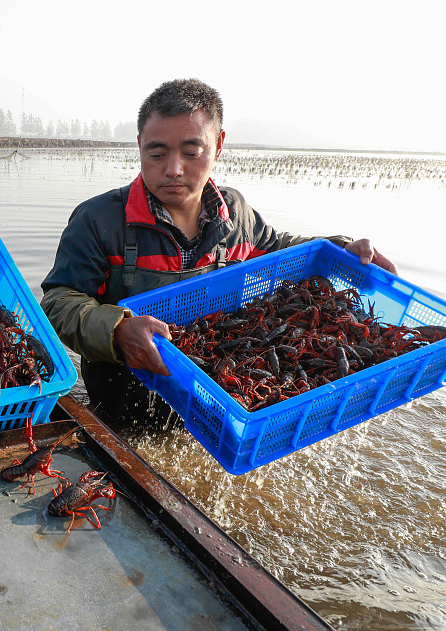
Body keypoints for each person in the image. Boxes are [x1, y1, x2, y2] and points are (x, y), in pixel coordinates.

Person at [40, 78, 396, 430]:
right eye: (157, 153)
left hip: (213, 398)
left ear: (219, 145)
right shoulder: (99, 220)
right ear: (139, 145)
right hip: (118, 402)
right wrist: (117, 330)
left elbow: (281, 248)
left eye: (191, 153)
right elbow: (59, 300)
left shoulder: (236, 215)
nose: (173, 169)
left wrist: (342, 247)